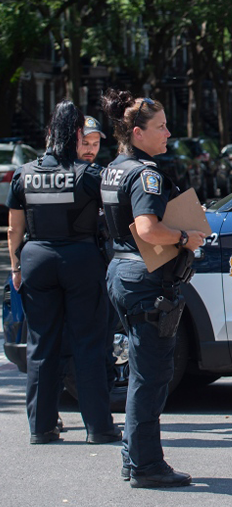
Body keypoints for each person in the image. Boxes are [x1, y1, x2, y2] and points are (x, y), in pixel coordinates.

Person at [100, 90, 207, 487]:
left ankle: (135, 458)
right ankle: (146, 465)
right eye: (160, 127)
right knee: (152, 375)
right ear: (137, 132)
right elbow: (147, 229)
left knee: (143, 371)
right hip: (145, 277)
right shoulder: (145, 174)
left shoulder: (114, 168)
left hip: (122, 271)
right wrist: (184, 237)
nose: (168, 133)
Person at [5, 101, 118, 445]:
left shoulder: (24, 173)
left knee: (41, 344)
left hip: (36, 259)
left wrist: (15, 267)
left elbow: (14, 229)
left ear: (50, 132)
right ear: (77, 134)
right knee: (88, 343)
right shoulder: (88, 174)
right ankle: (98, 427)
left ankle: (41, 428)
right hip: (81, 260)